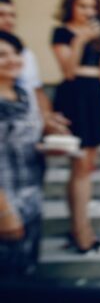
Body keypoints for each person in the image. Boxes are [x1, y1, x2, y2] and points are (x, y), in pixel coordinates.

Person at [51, 0, 100, 253]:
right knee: (79, 166)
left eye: (92, 6)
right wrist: (80, 40)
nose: (88, 11)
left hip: (95, 96)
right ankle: (80, 230)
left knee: (87, 166)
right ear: (71, 7)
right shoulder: (62, 33)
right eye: (82, 6)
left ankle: (81, 227)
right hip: (73, 97)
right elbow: (67, 71)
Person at [0, 32, 44, 275]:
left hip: (30, 199)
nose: (12, 60)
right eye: (2, 55)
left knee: (26, 270)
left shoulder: (24, 95)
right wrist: (4, 212)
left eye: (16, 53)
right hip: (5, 201)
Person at [0, 0, 70, 135]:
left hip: (25, 128)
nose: (9, 20)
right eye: (2, 15)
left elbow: (36, 90)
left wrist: (48, 118)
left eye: (12, 15)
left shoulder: (25, 54)